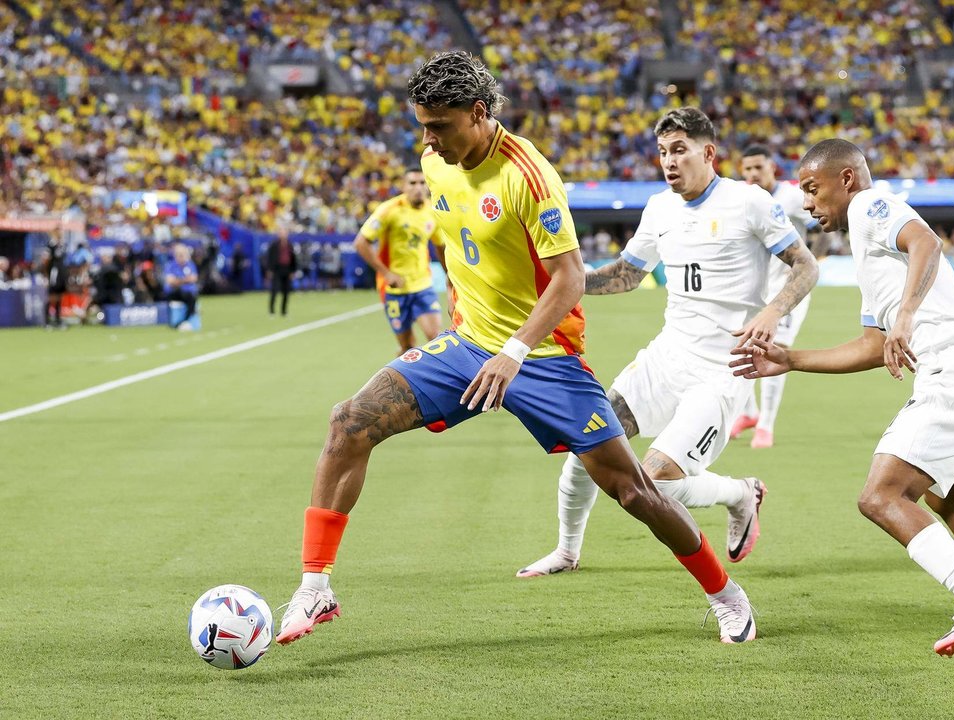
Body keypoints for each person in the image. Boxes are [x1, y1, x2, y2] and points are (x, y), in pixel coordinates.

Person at [275, 52, 758, 647]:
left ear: (478, 114)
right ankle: (315, 586)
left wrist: (514, 351)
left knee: (633, 489)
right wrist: (468, 323)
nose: (427, 140)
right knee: (349, 421)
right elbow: (460, 245)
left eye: (440, 126)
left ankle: (725, 594)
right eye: (422, 126)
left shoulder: (528, 175)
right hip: (465, 346)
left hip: (546, 359)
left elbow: (570, 277)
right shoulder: (434, 160)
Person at [732, 139, 954, 656]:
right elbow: (873, 347)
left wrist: (909, 315)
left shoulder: (873, 207)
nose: (806, 202)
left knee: (881, 496)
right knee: (944, 495)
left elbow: (927, 243)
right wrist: (790, 358)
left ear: (846, 179)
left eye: (812, 189)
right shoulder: (867, 245)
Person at [517, 109, 818, 579]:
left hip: (722, 370)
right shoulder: (659, 208)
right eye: (662, 152)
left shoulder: (749, 202)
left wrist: (771, 311)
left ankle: (740, 493)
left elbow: (806, 266)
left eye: (679, 150)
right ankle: (567, 551)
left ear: (708, 152)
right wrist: (562, 283)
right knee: (587, 444)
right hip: (666, 358)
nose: (669, 162)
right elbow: (626, 276)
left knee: (652, 481)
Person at [729, 144, 821, 449]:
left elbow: (819, 228)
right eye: (748, 169)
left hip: (788, 290)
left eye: (759, 167)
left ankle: (766, 425)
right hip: (755, 287)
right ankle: (750, 413)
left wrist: (809, 266)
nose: (754, 174)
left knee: (775, 349)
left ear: (772, 168)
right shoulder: (743, 199)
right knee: (739, 346)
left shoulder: (792, 197)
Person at [354, 168, 445, 354]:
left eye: (422, 183)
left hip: (423, 285)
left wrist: (450, 276)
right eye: (412, 183)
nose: (418, 188)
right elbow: (361, 243)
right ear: (404, 186)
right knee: (407, 347)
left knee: (436, 340)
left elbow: (440, 245)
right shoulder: (389, 210)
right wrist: (386, 273)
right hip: (395, 289)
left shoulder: (433, 212)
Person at [163, 243, 199, 330]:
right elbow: (170, 281)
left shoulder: (190, 265)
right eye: (180, 254)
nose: (182, 256)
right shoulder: (170, 265)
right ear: (176, 255)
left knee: (191, 297)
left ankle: (183, 322)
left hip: (189, 293)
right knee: (182, 293)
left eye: (184, 254)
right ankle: (178, 322)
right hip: (174, 292)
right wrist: (185, 280)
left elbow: (194, 278)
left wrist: (178, 280)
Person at [266, 226, 298, 317]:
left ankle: (284, 311)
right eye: (281, 232)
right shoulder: (274, 245)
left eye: (285, 233)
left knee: (286, 291)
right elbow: (270, 258)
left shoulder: (290, 245)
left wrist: (293, 270)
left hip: (287, 269)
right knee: (274, 290)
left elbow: (293, 259)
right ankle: (271, 310)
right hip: (277, 269)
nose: (283, 234)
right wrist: (269, 270)